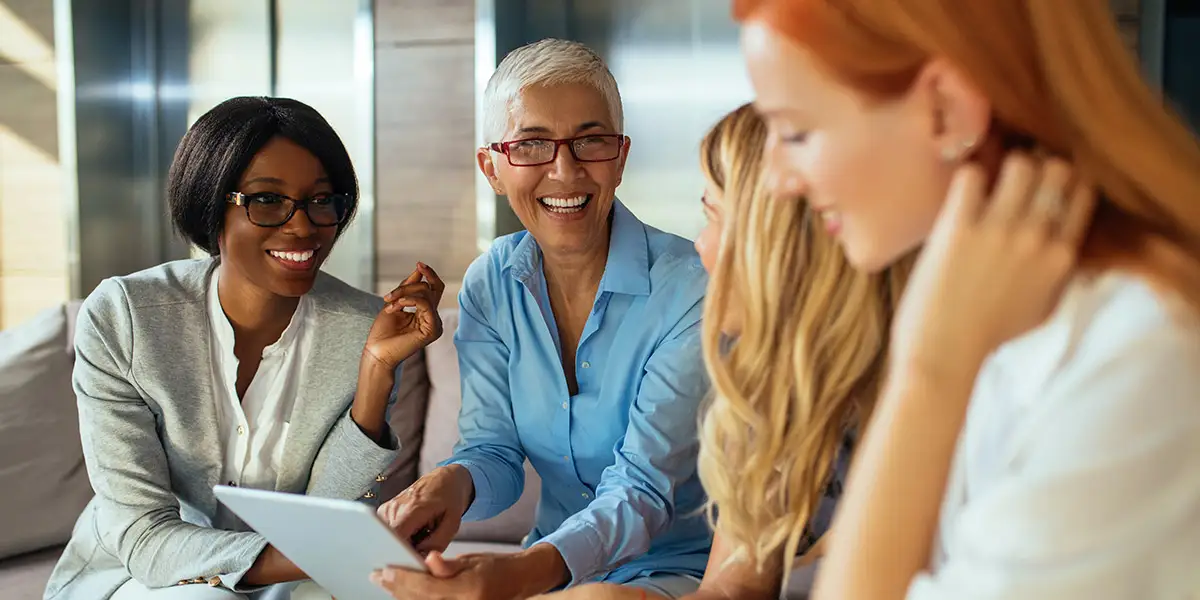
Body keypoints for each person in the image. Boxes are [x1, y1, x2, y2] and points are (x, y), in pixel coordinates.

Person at [733, 1, 1200, 598]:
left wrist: (928, 374)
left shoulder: (1138, 359)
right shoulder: (1009, 316)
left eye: (796, 131)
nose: (776, 179)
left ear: (947, 109)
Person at [43, 96, 445, 600]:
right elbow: (145, 538)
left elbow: (329, 513)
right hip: (144, 578)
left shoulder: (368, 327)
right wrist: (332, 554)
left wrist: (376, 371)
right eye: (268, 199)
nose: (303, 226)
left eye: (322, 199)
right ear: (210, 205)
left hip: (292, 581)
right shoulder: (125, 317)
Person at [368, 39, 712, 600]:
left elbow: (644, 489)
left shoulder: (691, 288)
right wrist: (450, 484)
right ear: (492, 168)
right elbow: (494, 451)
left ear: (620, 157)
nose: (565, 170)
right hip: (552, 568)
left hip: (681, 570)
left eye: (591, 141)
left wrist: (520, 574)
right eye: (530, 144)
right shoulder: (491, 282)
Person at [533, 104, 910, 600]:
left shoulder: (918, 399)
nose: (700, 243)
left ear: (777, 241)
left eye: (713, 216)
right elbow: (735, 587)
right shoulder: (772, 394)